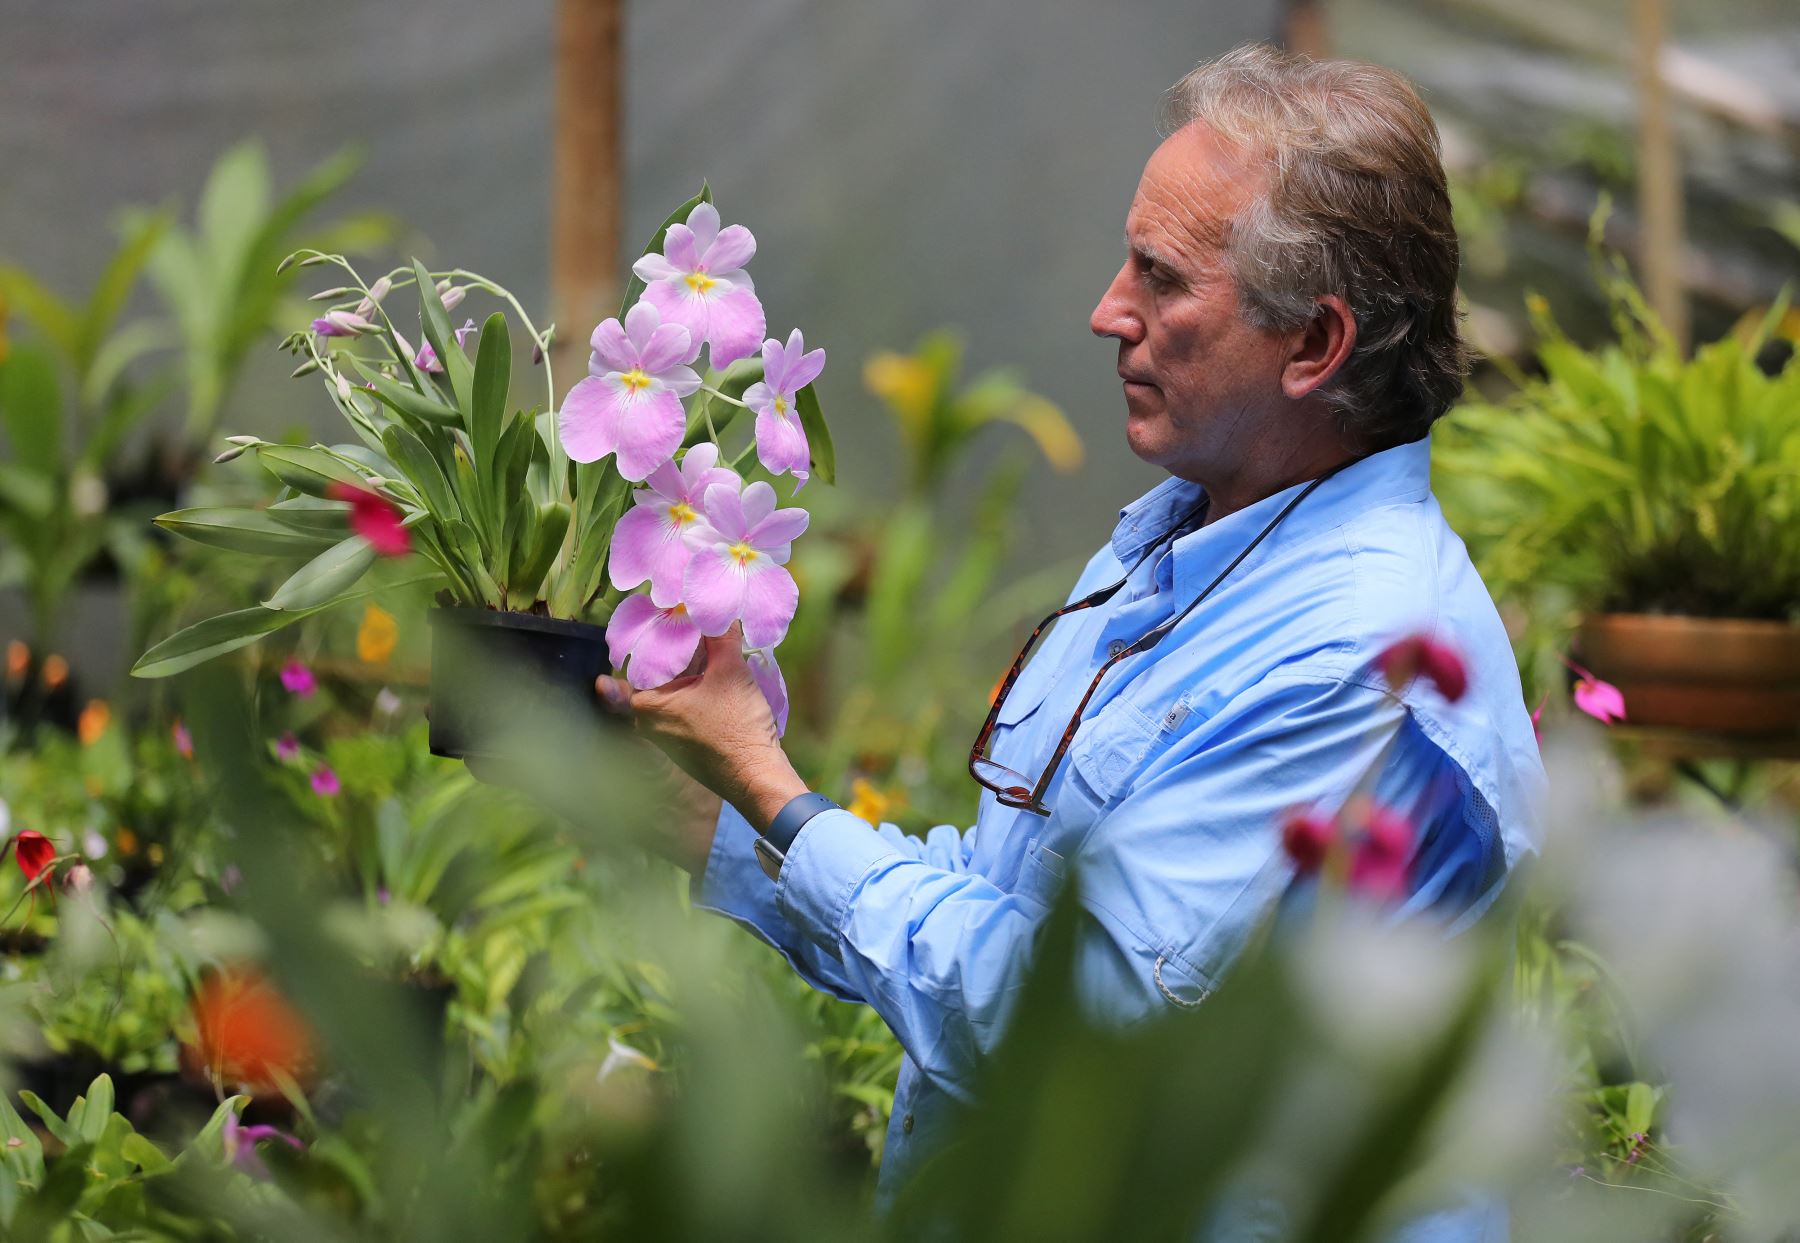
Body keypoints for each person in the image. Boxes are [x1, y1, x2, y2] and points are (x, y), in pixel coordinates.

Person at [588, 43, 1544, 1240]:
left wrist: (778, 793)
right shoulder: (1191, 539)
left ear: (1315, 345)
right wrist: (710, 822)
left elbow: (1071, 1025)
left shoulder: (1360, 663)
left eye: (1160, 275)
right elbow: (1016, 897)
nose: (1107, 311)